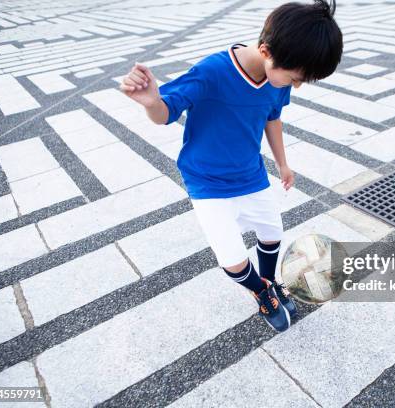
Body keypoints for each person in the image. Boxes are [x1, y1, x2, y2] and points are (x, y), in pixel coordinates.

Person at [119, 0, 343, 332]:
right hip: (206, 181)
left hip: (251, 175)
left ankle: (266, 281)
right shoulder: (213, 72)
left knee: (271, 235)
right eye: (296, 78)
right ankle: (262, 291)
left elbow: (273, 118)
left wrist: (283, 164)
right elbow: (165, 113)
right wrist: (152, 102)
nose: (295, 85)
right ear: (267, 51)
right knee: (233, 260)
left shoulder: (275, 80)